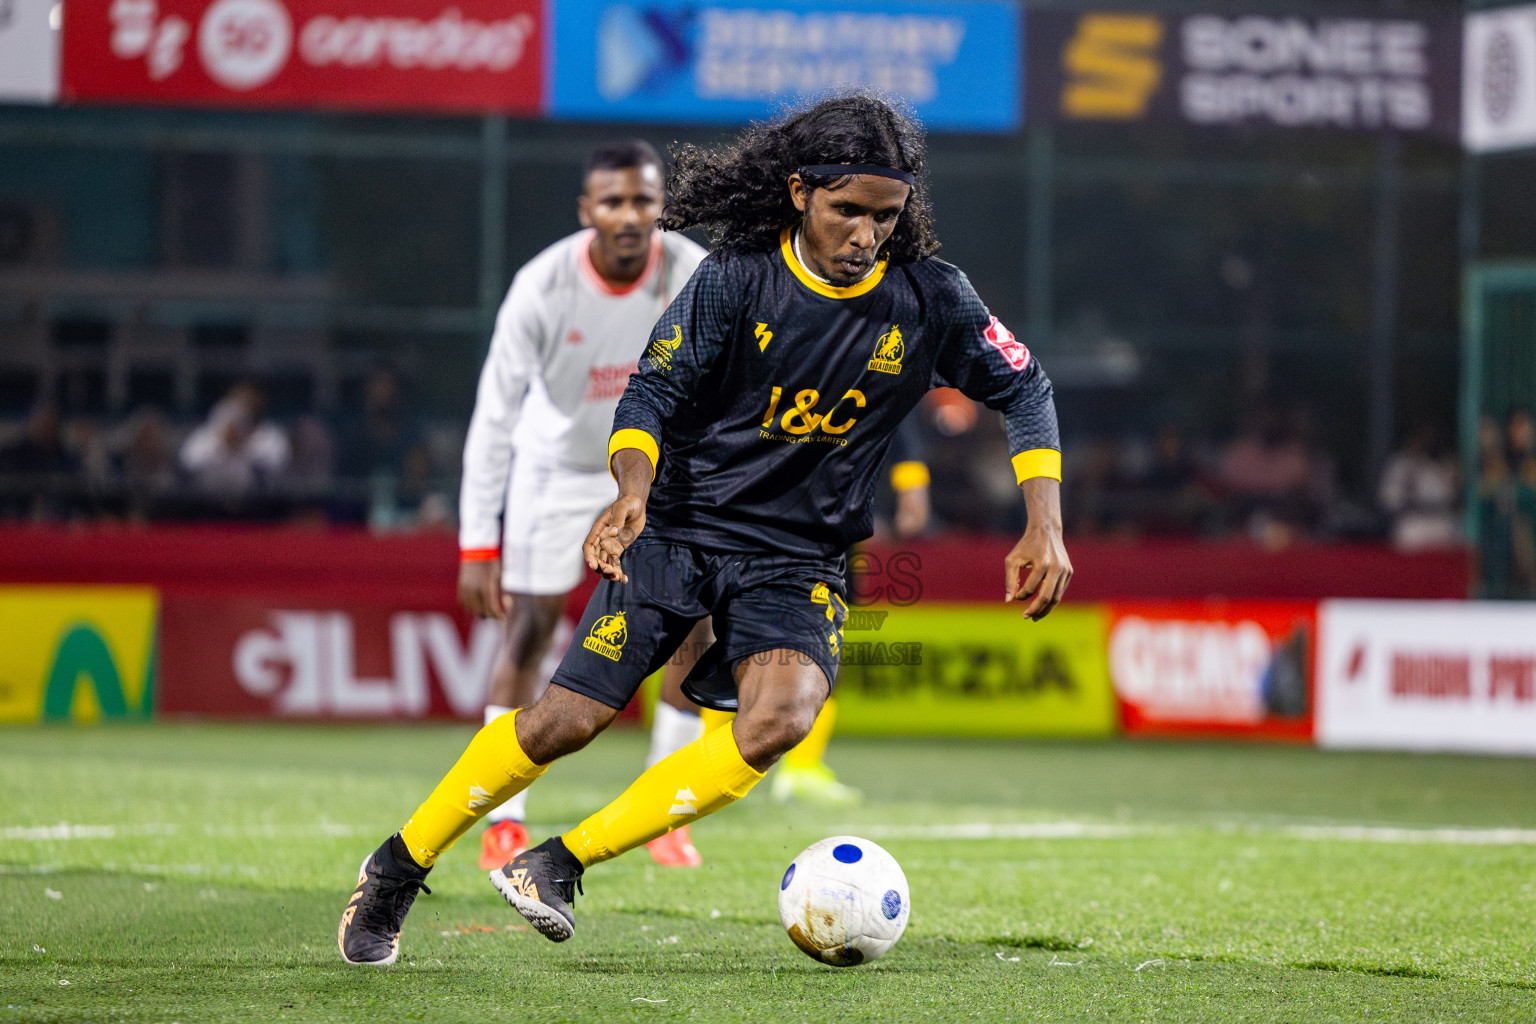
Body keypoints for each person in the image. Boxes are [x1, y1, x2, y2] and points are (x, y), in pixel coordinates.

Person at [338, 93, 1070, 965]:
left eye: (886, 215)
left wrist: (1044, 526)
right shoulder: (737, 275)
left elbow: (1025, 387)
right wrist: (632, 495)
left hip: (798, 558)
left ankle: (561, 862)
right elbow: (649, 390)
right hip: (681, 529)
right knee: (565, 723)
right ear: (801, 192)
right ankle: (396, 864)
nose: (866, 234)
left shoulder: (932, 297)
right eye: (848, 211)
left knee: (781, 718)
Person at [452, 140, 710, 871]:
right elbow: (495, 416)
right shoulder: (542, 287)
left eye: (643, 200)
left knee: (696, 622)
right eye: (613, 201)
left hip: (655, 465)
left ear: (662, 203)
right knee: (530, 633)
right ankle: (503, 820)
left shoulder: (691, 271)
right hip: (557, 468)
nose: (630, 215)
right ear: (586, 210)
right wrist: (478, 543)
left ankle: (666, 816)